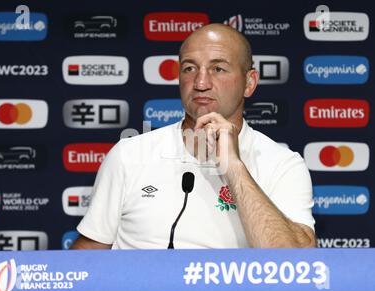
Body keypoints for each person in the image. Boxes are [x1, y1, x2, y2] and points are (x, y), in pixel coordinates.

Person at [71, 23, 316, 250]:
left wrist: (234, 167)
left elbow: (295, 264)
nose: (200, 82)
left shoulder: (282, 164)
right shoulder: (129, 154)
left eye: (218, 68)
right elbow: (88, 259)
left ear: (249, 83)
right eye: (189, 68)